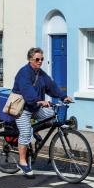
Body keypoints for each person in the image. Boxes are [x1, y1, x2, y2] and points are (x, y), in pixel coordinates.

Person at [12, 47, 72, 176]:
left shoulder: (41, 73)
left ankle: (35, 130)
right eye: (37, 59)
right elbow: (27, 91)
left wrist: (63, 96)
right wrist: (39, 101)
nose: (40, 61)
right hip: (22, 109)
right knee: (26, 133)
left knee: (51, 115)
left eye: (42, 59)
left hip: (35, 107)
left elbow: (51, 86)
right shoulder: (24, 73)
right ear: (30, 59)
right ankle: (22, 162)